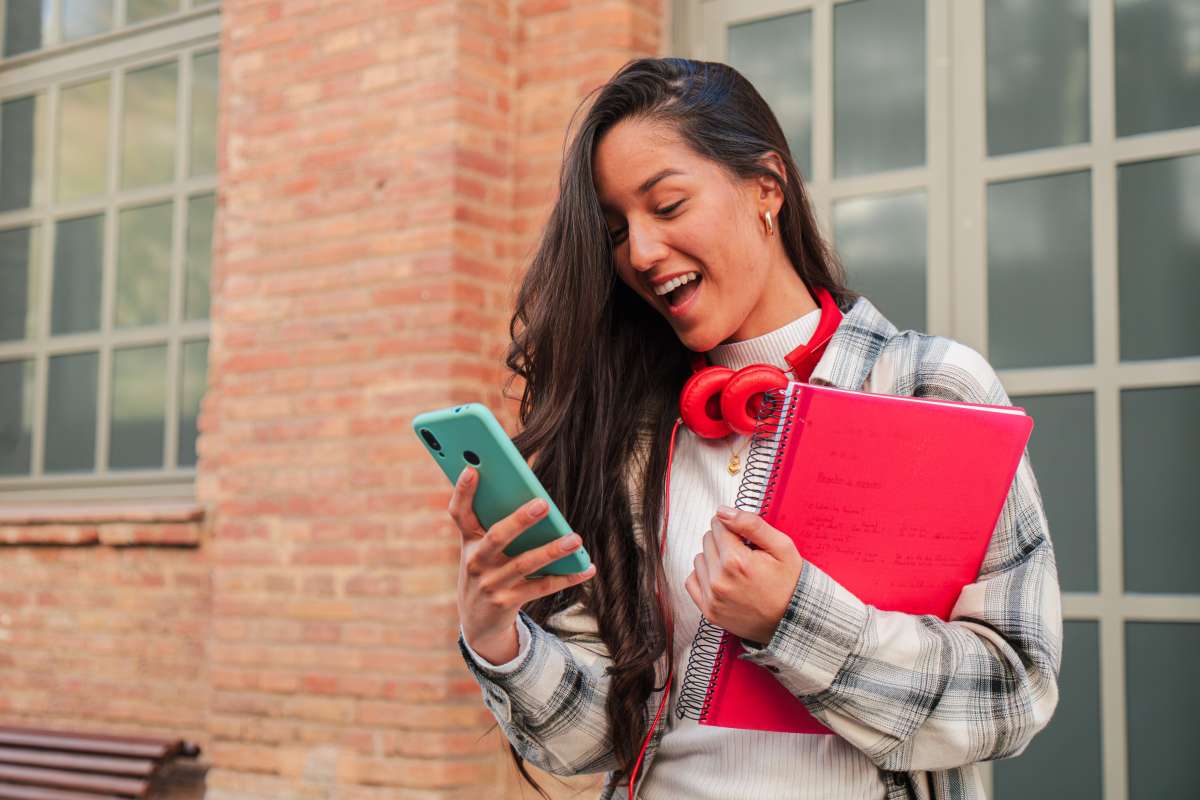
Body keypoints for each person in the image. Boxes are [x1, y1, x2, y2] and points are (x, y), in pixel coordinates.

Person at [446, 57, 1062, 800]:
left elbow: (1014, 692)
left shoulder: (933, 390)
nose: (639, 252)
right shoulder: (632, 433)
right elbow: (595, 739)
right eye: (616, 231)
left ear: (766, 187)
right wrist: (500, 639)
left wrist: (791, 618)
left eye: (667, 206)